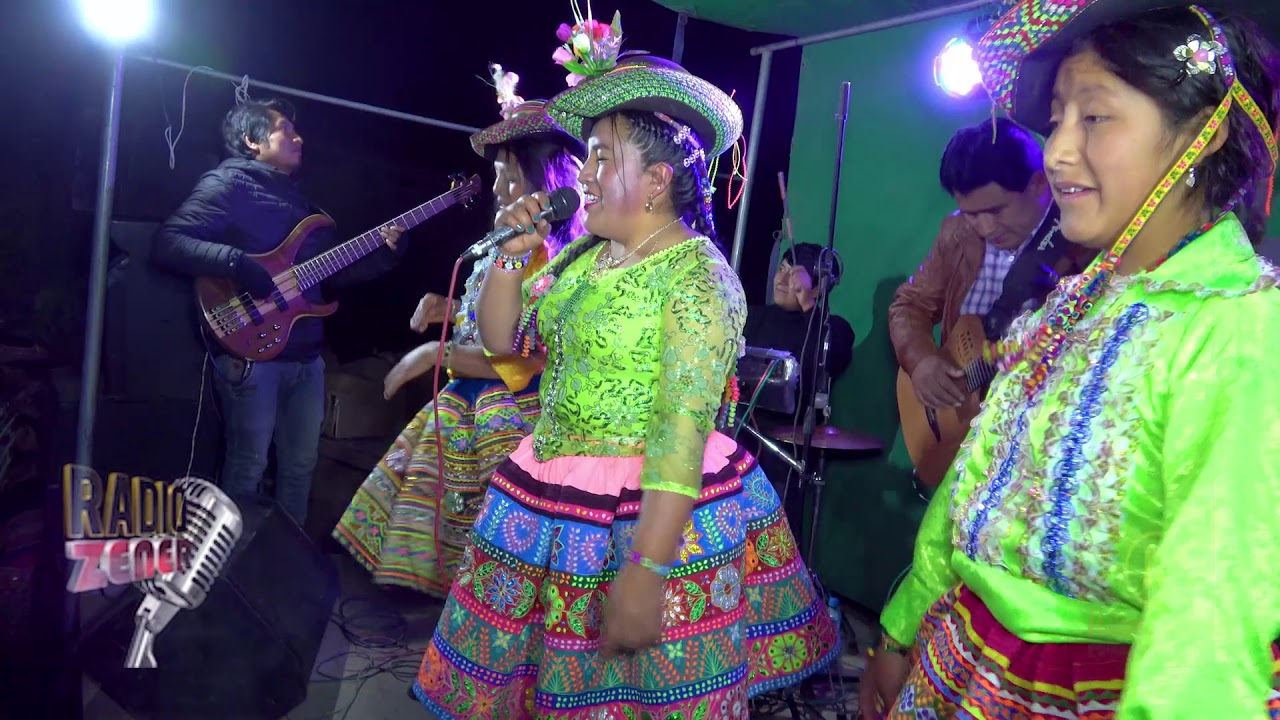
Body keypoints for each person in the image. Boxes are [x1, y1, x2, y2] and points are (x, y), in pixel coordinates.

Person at [861, 2, 1280, 719]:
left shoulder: (1238, 330)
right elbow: (971, 482)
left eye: (1095, 117)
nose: (1055, 150)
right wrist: (902, 629)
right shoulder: (1073, 302)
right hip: (963, 657)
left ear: (1203, 135)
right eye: (1057, 117)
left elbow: (1212, 613)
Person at [411, 19, 838, 718]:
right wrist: (516, 256)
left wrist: (647, 570)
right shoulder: (581, 258)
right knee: (557, 686)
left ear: (658, 181)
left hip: (649, 510)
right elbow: (500, 343)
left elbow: (684, 425)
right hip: (555, 490)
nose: (582, 172)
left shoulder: (698, 276)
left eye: (603, 157)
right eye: (589, 155)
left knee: (641, 696)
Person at [333, 69, 587, 596]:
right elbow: (493, 318)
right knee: (435, 521)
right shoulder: (506, 244)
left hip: (508, 415)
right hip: (464, 397)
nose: (496, 190)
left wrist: (433, 350)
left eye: (510, 179)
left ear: (549, 187)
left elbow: (527, 354)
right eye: (497, 177)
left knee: (496, 549)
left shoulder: (556, 258)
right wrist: (447, 307)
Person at [151, 99, 406, 525]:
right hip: (249, 351)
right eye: (285, 129)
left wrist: (385, 256)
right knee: (248, 465)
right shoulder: (226, 185)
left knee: (300, 467)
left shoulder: (303, 205)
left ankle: (287, 564)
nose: (298, 138)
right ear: (252, 140)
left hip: (305, 355)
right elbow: (169, 242)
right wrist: (238, 264)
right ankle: (234, 567)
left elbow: (330, 276)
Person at [889, 118, 1091, 412]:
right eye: (972, 214)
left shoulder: (1081, 243)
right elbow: (910, 305)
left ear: (1038, 184)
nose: (985, 227)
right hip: (963, 424)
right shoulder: (957, 232)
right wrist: (921, 362)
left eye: (996, 210)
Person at [743, 242, 855, 528]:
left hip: (785, 459)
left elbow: (833, 359)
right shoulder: (753, 317)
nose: (781, 280)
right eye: (781, 269)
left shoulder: (833, 329)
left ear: (818, 287)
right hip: (740, 442)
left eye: (793, 275)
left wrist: (808, 303)